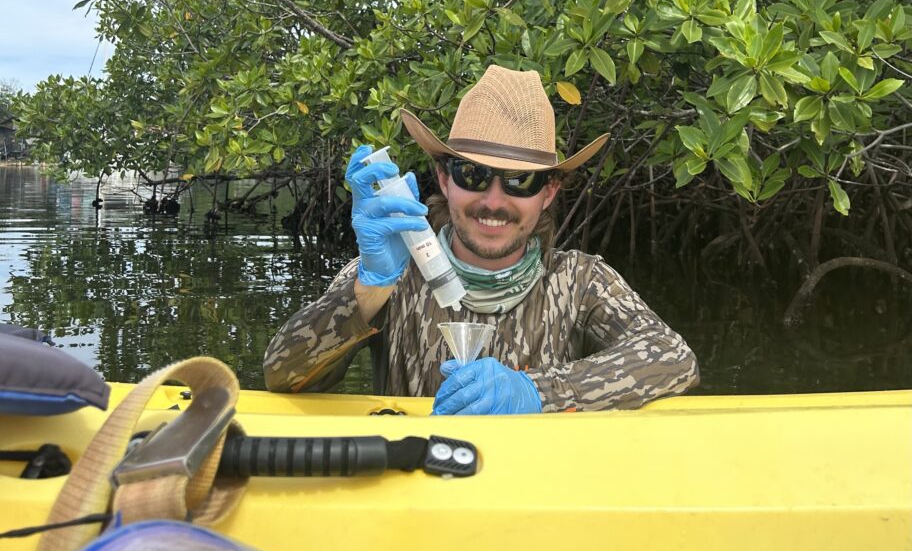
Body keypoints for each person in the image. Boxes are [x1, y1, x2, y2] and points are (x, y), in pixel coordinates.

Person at [263, 65, 698, 413]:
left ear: (549, 192)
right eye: (473, 174)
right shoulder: (387, 275)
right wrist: (369, 290)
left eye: (521, 181)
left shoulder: (582, 280)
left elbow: (672, 358)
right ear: (444, 178)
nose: (494, 201)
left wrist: (537, 391)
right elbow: (282, 374)